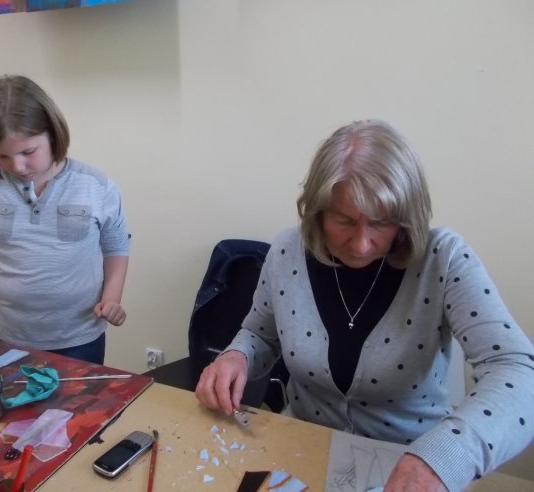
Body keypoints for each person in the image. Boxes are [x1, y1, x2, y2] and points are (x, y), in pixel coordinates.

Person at [195, 119, 534, 491]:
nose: (361, 244)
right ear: (317, 211)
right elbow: (259, 334)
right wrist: (237, 356)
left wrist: (445, 457)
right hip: (301, 450)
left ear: (406, 217)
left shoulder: (444, 259)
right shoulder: (286, 253)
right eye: (344, 220)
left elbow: (519, 373)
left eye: (381, 223)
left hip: (411, 467)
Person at [0, 75, 130, 364]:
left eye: (28, 152)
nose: (18, 166)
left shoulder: (96, 186)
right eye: (2, 156)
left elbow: (116, 247)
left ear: (53, 134)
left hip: (81, 336)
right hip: (13, 335)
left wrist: (112, 298)